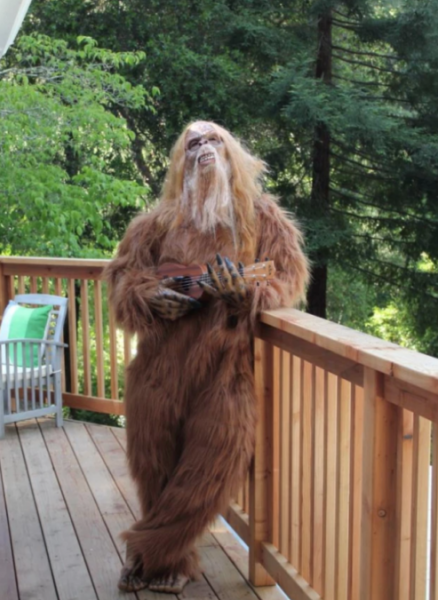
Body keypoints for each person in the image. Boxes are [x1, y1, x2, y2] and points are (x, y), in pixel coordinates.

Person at [105, 121, 310, 594]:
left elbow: (286, 277)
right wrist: (151, 295)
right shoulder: (154, 225)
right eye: (193, 142)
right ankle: (167, 562)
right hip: (157, 368)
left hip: (225, 369)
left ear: (232, 152)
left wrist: (246, 291)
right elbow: (122, 280)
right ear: (180, 162)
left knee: (214, 463)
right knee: (154, 463)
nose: (203, 147)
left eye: (213, 139)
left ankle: (150, 550)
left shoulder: (261, 217)